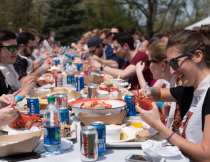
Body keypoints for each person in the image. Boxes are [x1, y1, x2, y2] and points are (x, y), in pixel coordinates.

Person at [136, 29, 210, 161]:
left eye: (175, 63)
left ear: (197, 56)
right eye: (170, 64)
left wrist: (158, 125)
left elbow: (206, 155)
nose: (171, 70)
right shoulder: (192, 88)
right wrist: (149, 92)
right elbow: (161, 93)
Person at [90, 32, 156, 90]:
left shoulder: (141, 56)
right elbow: (117, 74)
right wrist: (97, 70)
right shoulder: (128, 62)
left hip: (146, 98)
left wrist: (101, 66)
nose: (114, 51)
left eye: (116, 48)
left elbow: (123, 74)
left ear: (125, 46)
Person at [135, 39, 176, 128]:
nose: (148, 65)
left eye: (149, 62)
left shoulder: (178, 86)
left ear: (162, 65)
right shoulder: (168, 81)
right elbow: (150, 92)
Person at [0, 30, 37, 96]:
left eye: (16, 47)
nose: (15, 51)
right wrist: (23, 92)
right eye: (11, 48)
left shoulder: (9, 66)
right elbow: (1, 105)